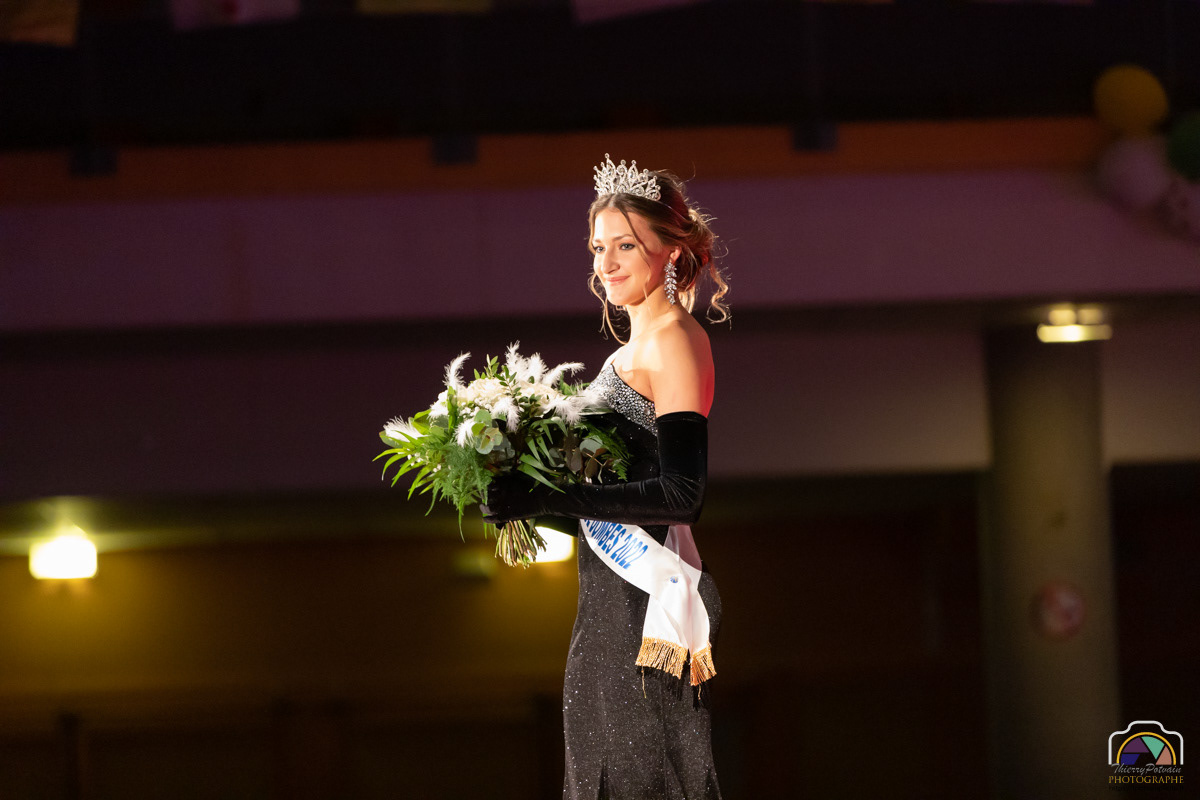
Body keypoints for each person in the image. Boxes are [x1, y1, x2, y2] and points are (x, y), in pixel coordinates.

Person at [482, 154, 729, 800]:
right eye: (598, 247)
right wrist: (525, 500)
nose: (607, 263)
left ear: (670, 250)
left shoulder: (674, 338)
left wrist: (548, 493)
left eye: (626, 245)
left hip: (643, 604)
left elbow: (682, 495)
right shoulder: (628, 351)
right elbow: (607, 508)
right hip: (605, 599)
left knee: (638, 777)